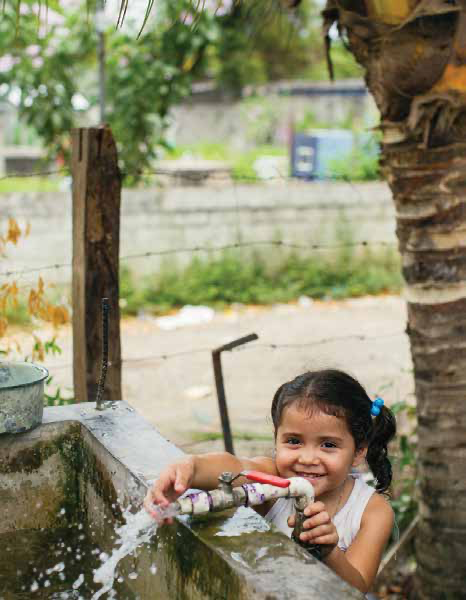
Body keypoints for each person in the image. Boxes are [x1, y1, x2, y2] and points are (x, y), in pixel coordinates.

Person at [144, 369, 396, 594]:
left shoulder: (372, 512)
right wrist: (189, 468)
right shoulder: (274, 479)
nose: (307, 458)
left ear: (359, 451)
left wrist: (329, 551)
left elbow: (357, 587)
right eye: (294, 441)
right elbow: (233, 467)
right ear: (276, 438)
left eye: (328, 445)